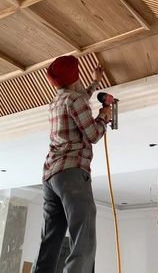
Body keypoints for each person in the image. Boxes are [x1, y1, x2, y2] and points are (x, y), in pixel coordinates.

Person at [32, 55, 111, 273]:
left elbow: (80, 98)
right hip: (71, 174)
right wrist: (104, 116)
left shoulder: (56, 102)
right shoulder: (75, 101)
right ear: (76, 76)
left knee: (50, 239)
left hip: (50, 176)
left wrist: (95, 83)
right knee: (82, 235)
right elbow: (93, 134)